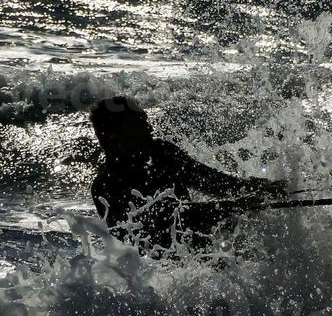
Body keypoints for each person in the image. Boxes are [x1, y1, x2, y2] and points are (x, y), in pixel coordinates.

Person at [88, 96, 287, 256]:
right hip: (159, 277)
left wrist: (257, 187)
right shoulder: (106, 187)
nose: (149, 129)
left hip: (203, 253)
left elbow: (211, 180)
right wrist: (235, 205)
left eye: (146, 122)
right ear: (113, 138)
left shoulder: (162, 153)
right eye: (139, 125)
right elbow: (168, 218)